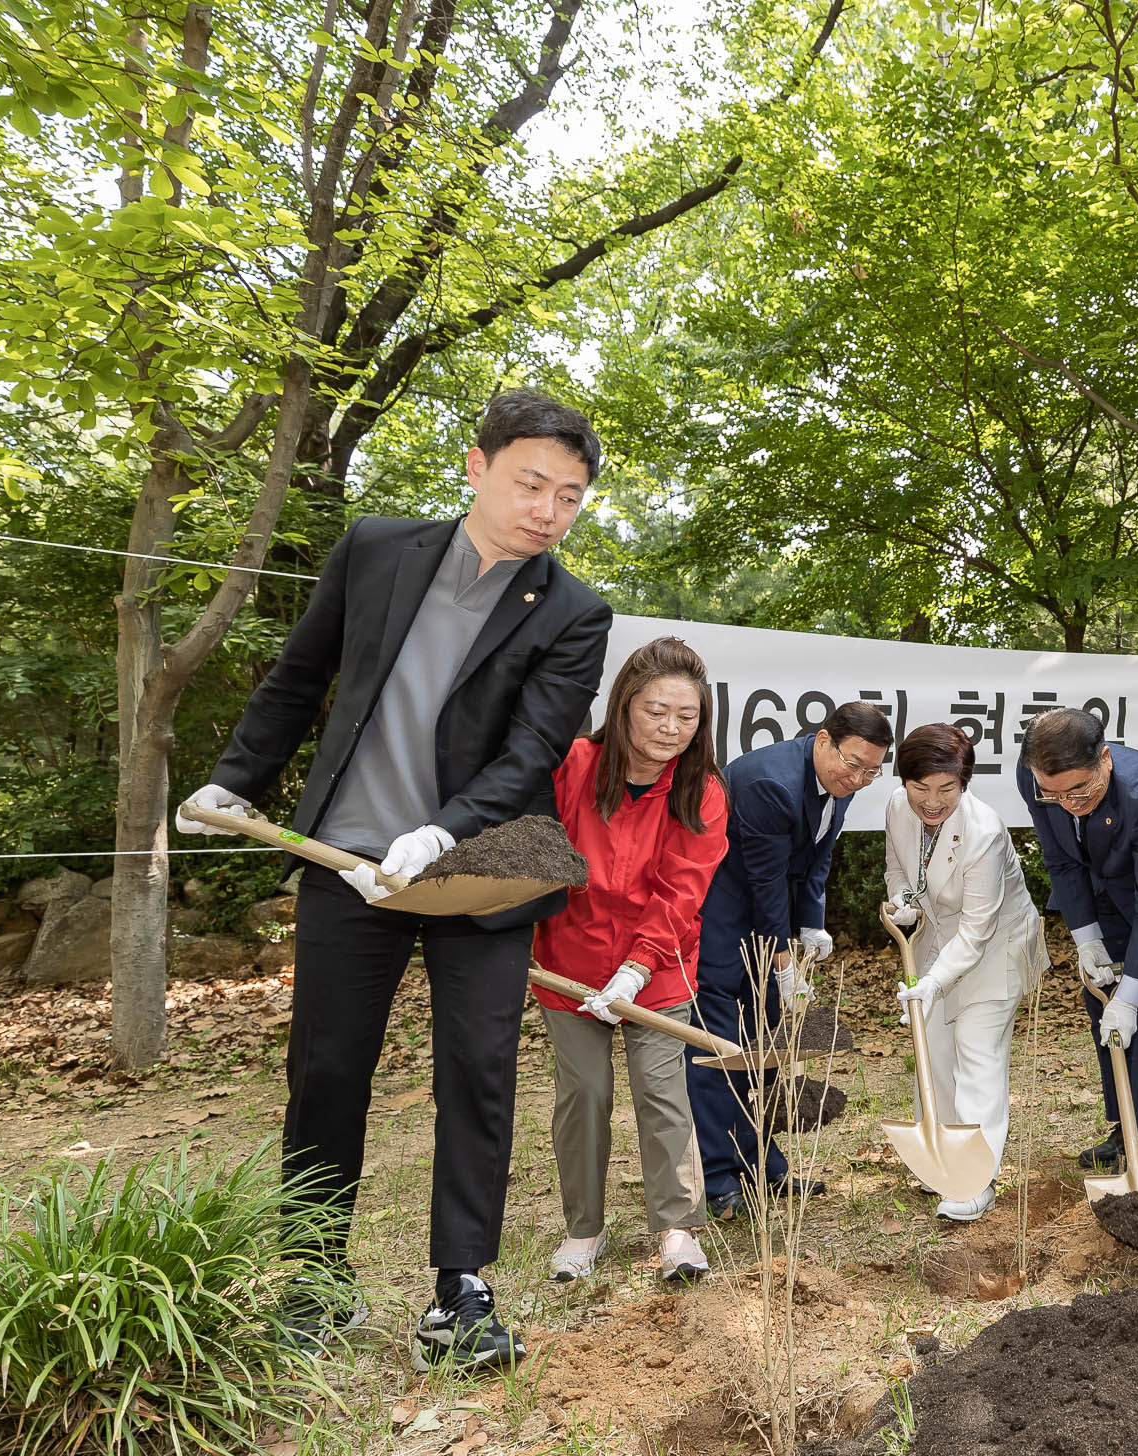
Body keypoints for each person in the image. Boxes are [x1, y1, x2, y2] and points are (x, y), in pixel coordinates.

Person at [178, 388, 614, 1369]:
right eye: (531, 481)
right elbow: (299, 675)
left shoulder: (576, 612)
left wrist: (443, 830)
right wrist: (234, 779)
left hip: (480, 872)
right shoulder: (377, 549)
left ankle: (460, 1288)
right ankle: (316, 1273)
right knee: (326, 1069)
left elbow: (533, 751)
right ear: (478, 466)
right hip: (347, 861)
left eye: (571, 496)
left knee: (478, 1071)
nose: (548, 508)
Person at [533, 636, 728, 1286]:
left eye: (687, 715)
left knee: (662, 1092)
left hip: (659, 967)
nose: (671, 727)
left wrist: (635, 971)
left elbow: (681, 893)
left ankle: (677, 1229)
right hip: (568, 960)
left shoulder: (702, 793)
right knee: (584, 1093)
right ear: (623, 707)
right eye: (656, 710)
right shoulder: (576, 764)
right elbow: (539, 851)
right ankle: (583, 1228)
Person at [685, 702, 893, 1219]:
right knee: (721, 1041)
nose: (861, 778)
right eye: (853, 764)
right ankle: (717, 1176)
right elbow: (764, 880)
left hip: (768, 907)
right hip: (722, 913)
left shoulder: (841, 780)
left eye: (873, 769)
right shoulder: (769, 784)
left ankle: (763, 1163)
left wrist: (812, 923)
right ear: (822, 740)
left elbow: (817, 855)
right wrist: (784, 960)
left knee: (767, 1040)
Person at [1018, 707, 1138, 1168]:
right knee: (1102, 997)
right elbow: (1061, 860)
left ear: (1105, 759)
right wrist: (1086, 939)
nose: (1068, 802)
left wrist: (1133, 996)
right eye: (1055, 794)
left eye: (1080, 789)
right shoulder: (1035, 776)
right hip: (1100, 889)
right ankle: (1121, 1121)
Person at [884, 723, 1044, 1221]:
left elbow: (977, 930)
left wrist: (932, 981)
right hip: (937, 942)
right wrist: (904, 903)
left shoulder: (985, 833)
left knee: (978, 1056)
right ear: (904, 781)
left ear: (964, 782)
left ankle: (977, 1181)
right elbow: (897, 868)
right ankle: (946, 1166)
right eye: (920, 788)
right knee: (933, 1052)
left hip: (995, 948)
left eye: (946, 790)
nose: (932, 802)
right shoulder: (896, 808)